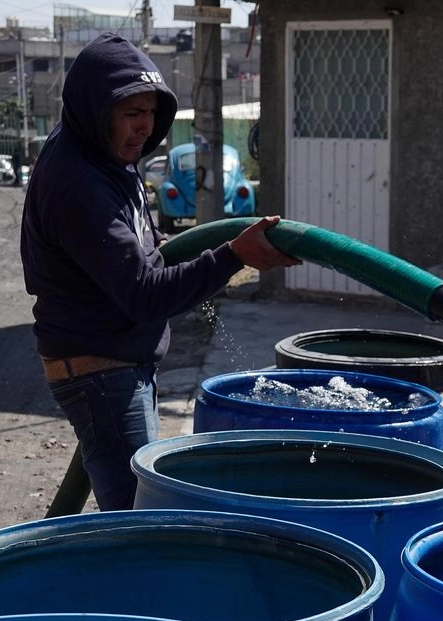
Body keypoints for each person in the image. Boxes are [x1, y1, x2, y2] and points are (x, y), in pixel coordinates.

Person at [19, 32, 300, 511]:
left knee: (138, 512)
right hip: (102, 373)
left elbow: (130, 253)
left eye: (151, 112)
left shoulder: (103, 153)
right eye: (131, 113)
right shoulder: (78, 183)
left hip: (117, 364)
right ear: (96, 110)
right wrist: (234, 255)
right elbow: (145, 294)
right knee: (141, 520)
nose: (145, 127)